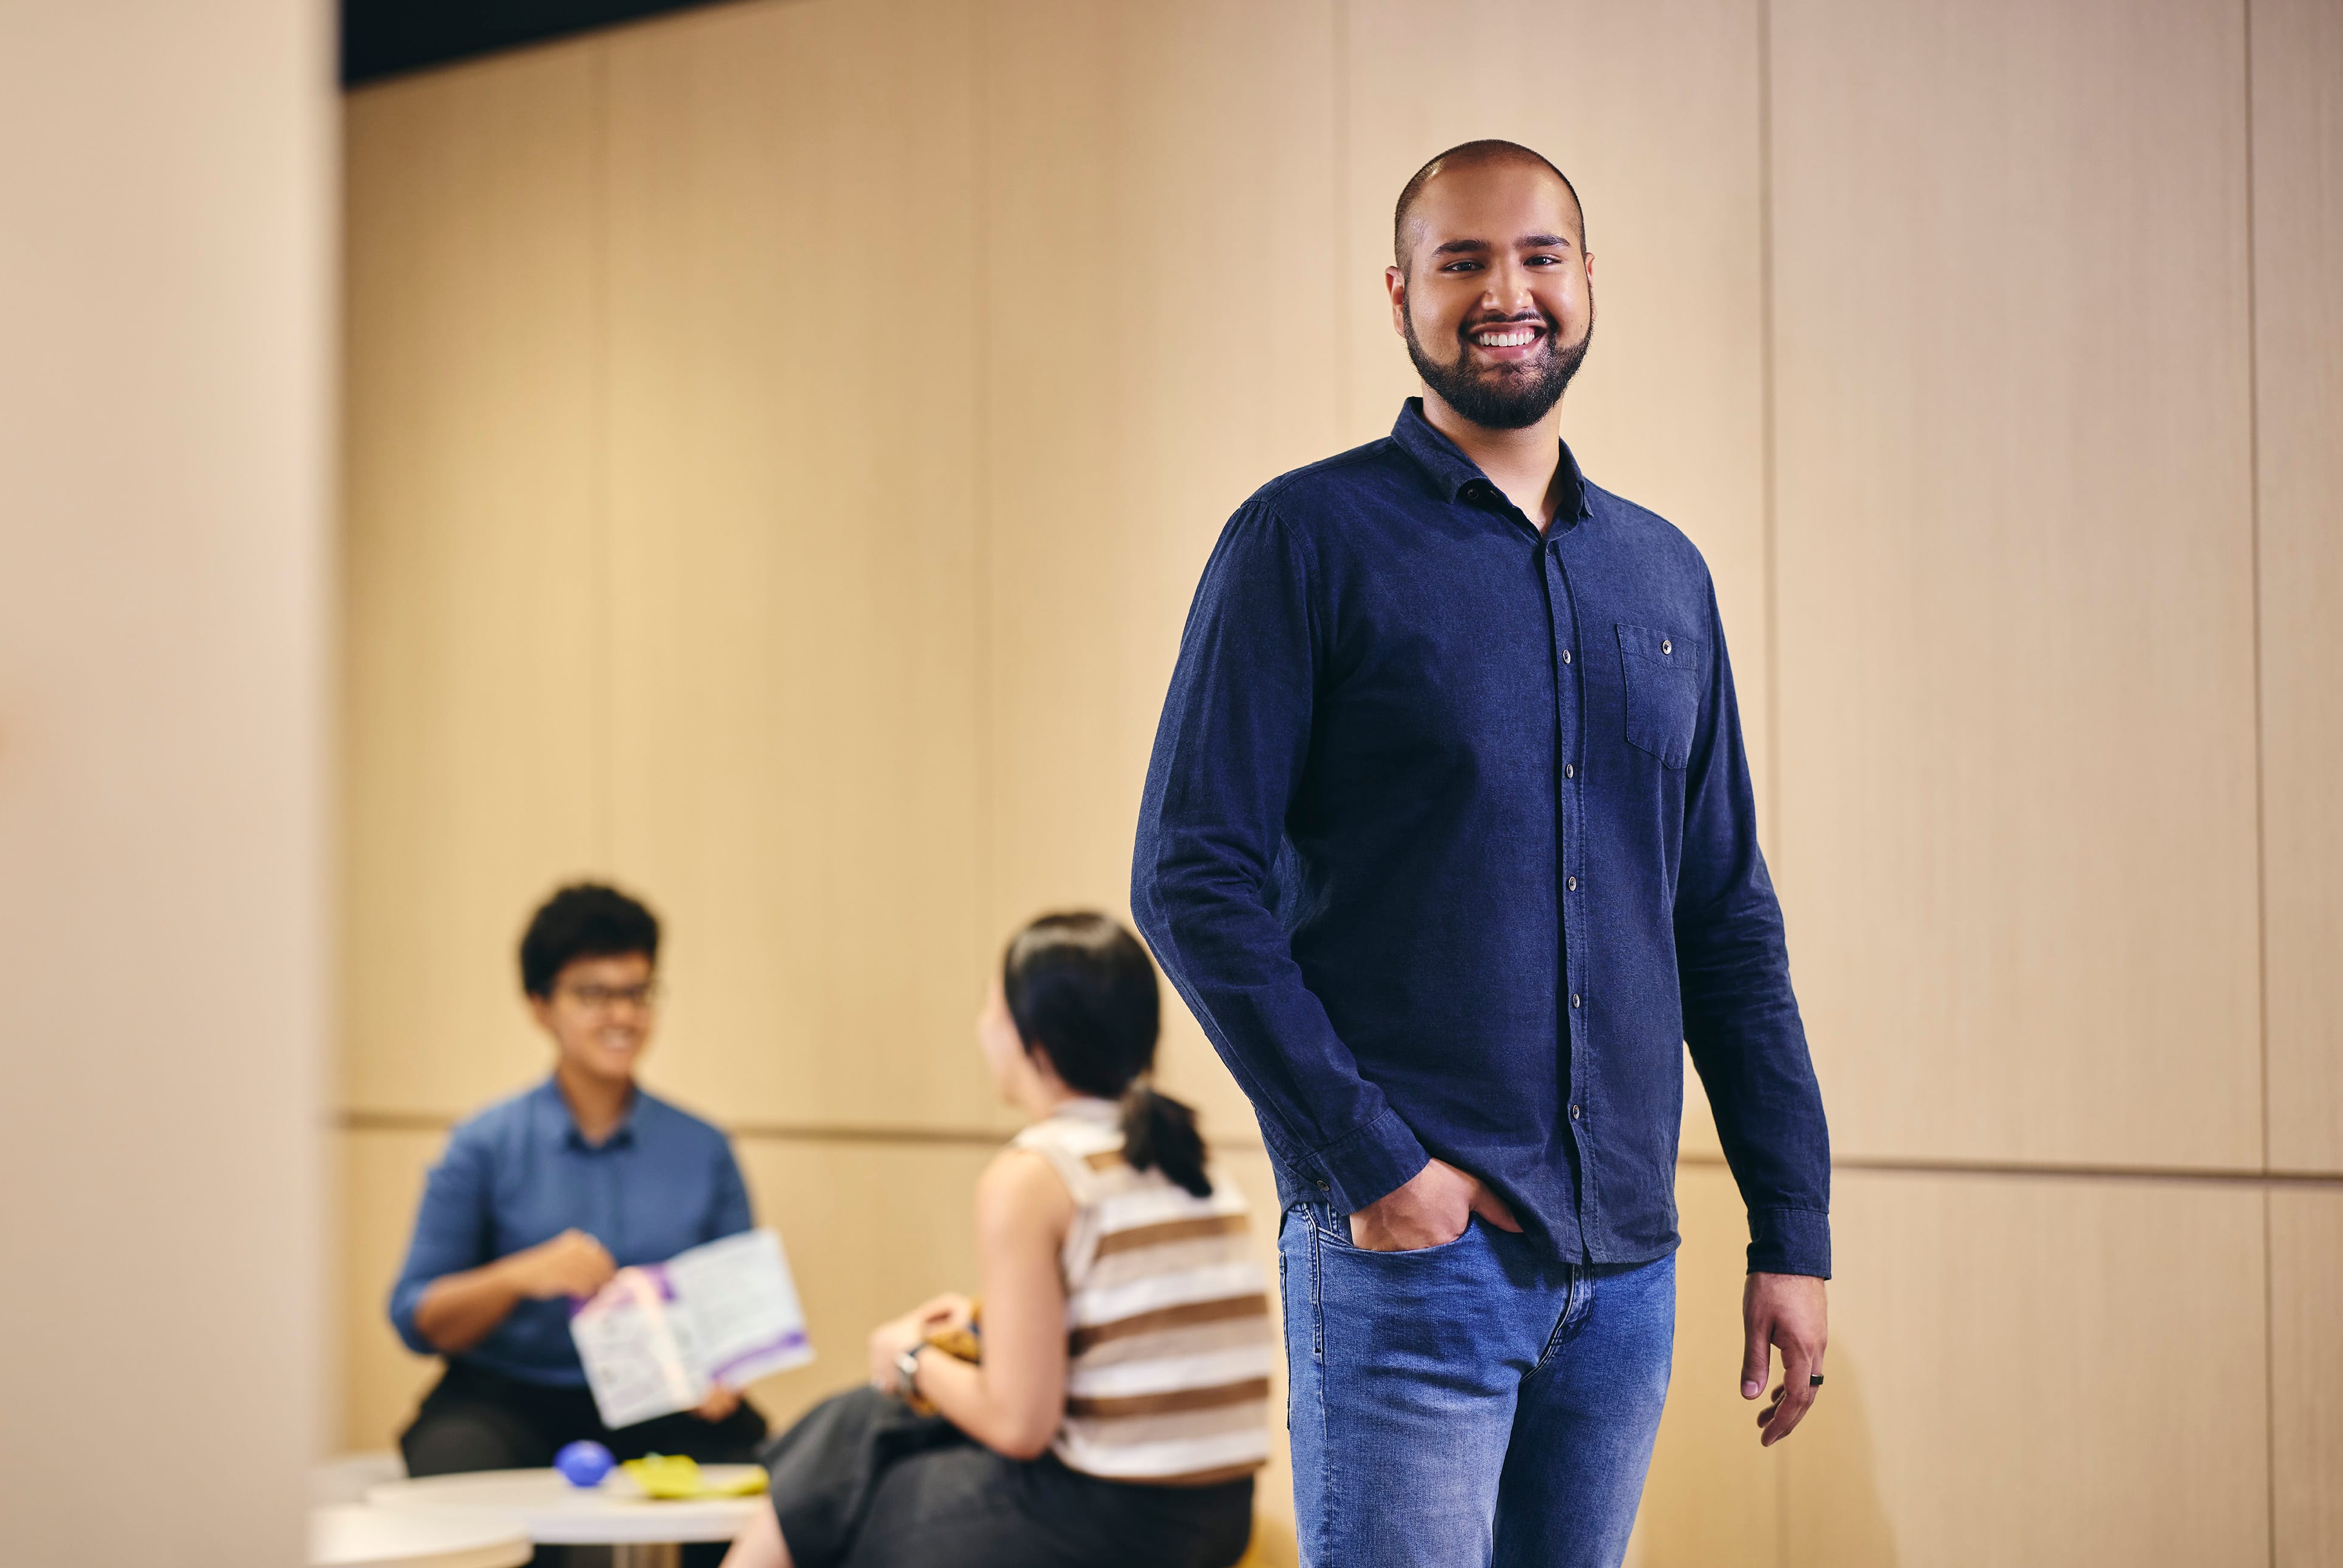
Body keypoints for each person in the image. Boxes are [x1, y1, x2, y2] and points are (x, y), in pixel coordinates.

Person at [1130, 140, 1832, 1568]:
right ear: (1400, 294)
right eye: (1461, 262)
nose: (1505, 293)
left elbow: (1723, 922)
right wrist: (1374, 1165)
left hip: (1625, 1276)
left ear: (1587, 281)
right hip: (1410, 1267)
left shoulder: (1663, 574)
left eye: (1537, 257)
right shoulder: (1302, 540)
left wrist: (1792, 1227)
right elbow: (1190, 878)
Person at [720, 912, 1265, 1568]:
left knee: (860, 1492)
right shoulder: (1188, 1160)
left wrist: (908, 1358)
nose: (983, 1030)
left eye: (992, 1009)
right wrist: (983, 1326)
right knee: (862, 1425)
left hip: (1114, 1516)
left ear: (1034, 1037)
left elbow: (1019, 1425)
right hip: (1221, 1512)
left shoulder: (1035, 1174)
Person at [388, 882, 770, 1505]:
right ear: (540, 1006)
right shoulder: (483, 1144)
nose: (622, 1016)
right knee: (454, 1466)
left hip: (661, 1398)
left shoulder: (704, 1148)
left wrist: (726, 1370)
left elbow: (739, 1310)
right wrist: (519, 1276)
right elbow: (416, 1316)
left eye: (637, 993)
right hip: (508, 1397)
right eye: (593, 995)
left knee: (764, 1477)